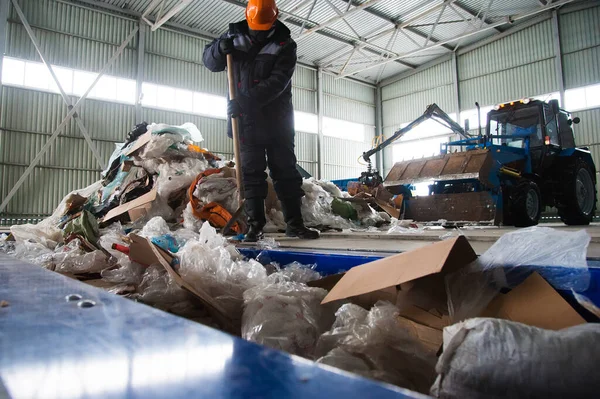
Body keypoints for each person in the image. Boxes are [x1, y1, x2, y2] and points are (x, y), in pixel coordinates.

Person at [203, 0, 319, 242]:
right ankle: (255, 227)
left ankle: (295, 225)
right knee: (251, 174)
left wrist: (244, 101)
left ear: (274, 20)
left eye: (264, 27)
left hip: (277, 121)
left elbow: (278, 82)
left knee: (286, 172)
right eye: (256, 27)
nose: (259, 31)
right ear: (248, 18)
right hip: (245, 122)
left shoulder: (285, 44)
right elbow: (210, 62)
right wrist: (218, 49)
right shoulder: (233, 36)